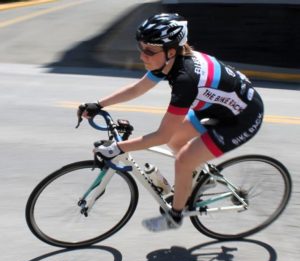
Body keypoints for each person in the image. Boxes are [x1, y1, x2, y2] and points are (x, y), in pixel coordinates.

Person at [77, 13, 264, 232]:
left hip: (242, 118)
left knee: (183, 160)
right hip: (216, 107)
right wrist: (99, 104)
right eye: (141, 47)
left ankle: (175, 216)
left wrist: (118, 147)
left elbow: (161, 136)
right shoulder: (168, 62)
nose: (142, 55)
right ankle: (200, 178)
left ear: (171, 51)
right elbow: (138, 89)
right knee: (177, 141)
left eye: (149, 50)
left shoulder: (186, 80)